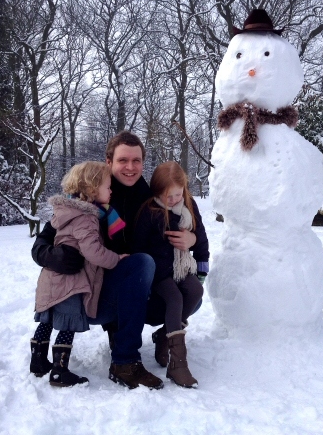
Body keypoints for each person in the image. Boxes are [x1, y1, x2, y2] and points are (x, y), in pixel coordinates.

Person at [31, 131, 199, 390]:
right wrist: (57, 257)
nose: (130, 167)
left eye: (136, 161)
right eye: (123, 160)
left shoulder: (153, 196)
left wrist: (192, 239)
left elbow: (189, 212)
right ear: (109, 161)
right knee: (141, 262)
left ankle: (162, 337)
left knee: (190, 290)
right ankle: (125, 359)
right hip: (96, 295)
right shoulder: (90, 196)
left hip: (149, 293)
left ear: (143, 163)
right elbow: (41, 245)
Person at [30, 162, 128, 387]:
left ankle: (37, 361)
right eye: (107, 187)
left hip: (51, 279)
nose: (111, 191)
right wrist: (116, 259)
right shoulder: (86, 217)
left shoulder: (65, 211)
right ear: (93, 189)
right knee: (67, 324)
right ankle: (59, 371)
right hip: (71, 282)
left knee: (47, 320)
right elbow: (93, 252)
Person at [133, 161, 209, 388]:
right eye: (168, 196)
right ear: (157, 192)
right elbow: (138, 246)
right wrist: (144, 281)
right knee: (174, 298)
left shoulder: (189, 205)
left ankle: (164, 335)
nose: (174, 200)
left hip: (181, 267)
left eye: (178, 194)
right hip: (158, 273)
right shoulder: (149, 212)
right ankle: (178, 365)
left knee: (196, 290)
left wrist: (201, 269)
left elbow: (201, 237)